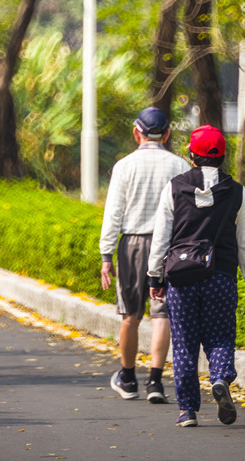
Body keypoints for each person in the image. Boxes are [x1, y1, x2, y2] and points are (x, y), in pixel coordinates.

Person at [147, 124, 245, 428]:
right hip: (221, 276)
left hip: (181, 279)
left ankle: (187, 410)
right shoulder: (236, 191)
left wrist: (154, 277)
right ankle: (220, 377)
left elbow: (161, 237)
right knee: (221, 336)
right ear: (223, 156)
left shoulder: (175, 187)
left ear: (191, 155)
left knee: (184, 344)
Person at [100, 106, 190, 404]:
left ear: (136, 133)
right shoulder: (180, 166)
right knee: (162, 314)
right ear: (166, 134)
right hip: (171, 245)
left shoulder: (124, 166)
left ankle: (127, 378)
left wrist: (106, 255)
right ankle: (155, 381)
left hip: (134, 245)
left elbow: (114, 213)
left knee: (130, 314)